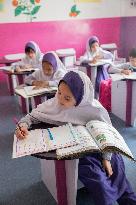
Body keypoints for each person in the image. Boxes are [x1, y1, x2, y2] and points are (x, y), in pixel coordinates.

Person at [15, 70, 136, 205]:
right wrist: (23, 126)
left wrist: (106, 158)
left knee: (117, 171)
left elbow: (108, 135)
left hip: (102, 148)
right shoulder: (53, 104)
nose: (60, 99)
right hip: (81, 153)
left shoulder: (95, 109)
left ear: (80, 98)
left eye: (67, 98)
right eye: (59, 93)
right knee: (98, 180)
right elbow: (31, 117)